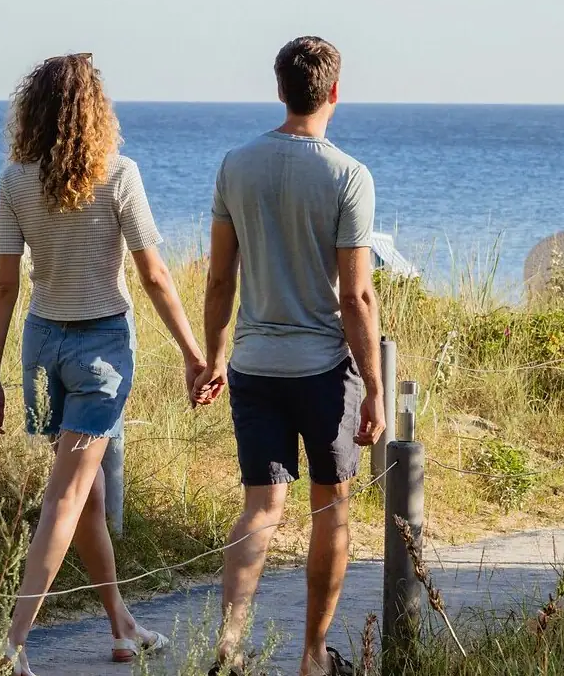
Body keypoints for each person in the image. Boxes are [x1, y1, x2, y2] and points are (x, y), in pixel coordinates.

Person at [0, 53, 208, 675]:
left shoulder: (15, 180)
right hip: (101, 351)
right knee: (67, 495)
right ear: (95, 111)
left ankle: (121, 625)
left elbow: (5, 287)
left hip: (39, 349)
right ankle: (14, 643)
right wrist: (194, 353)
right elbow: (155, 273)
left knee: (82, 494)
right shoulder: (119, 173)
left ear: (33, 110)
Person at [193, 36, 385, 676]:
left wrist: (213, 356)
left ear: (279, 89)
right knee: (330, 507)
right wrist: (378, 389)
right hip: (326, 371)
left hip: (253, 365)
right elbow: (356, 296)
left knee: (260, 507)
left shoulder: (234, 166)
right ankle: (310, 657)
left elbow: (220, 280)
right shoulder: (348, 176)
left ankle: (229, 649)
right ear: (335, 92)